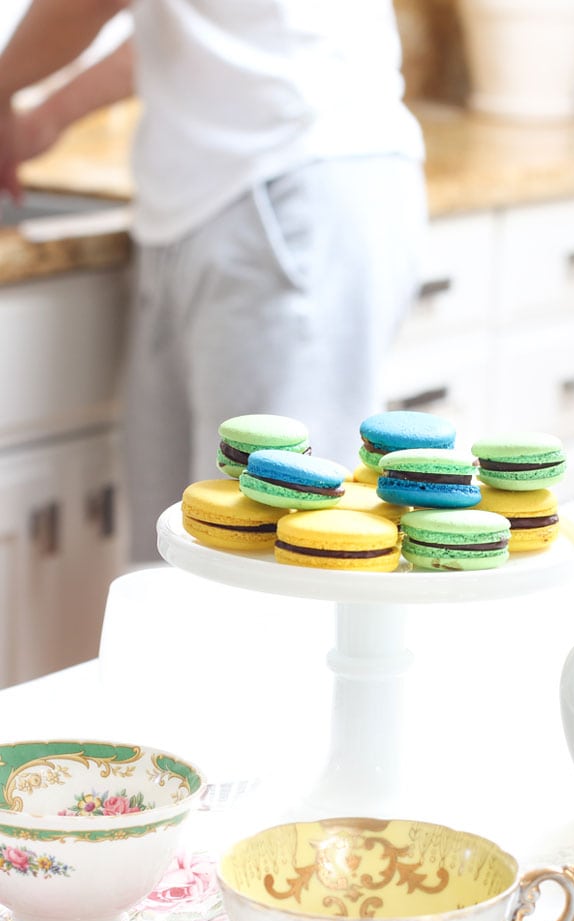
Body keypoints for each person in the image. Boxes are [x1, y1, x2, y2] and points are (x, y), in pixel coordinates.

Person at [0, 1, 427, 561]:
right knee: (184, 540)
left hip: (287, 183)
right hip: (224, 198)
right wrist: (42, 121)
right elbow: (183, 34)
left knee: (282, 545)